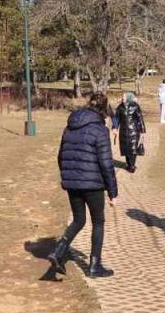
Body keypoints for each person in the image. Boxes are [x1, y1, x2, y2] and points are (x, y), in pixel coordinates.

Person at [47, 92, 119, 279]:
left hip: (72, 182)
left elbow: (61, 156)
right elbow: (106, 163)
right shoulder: (99, 129)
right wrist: (113, 192)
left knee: (79, 220)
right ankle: (95, 265)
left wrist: (67, 176)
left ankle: (58, 251)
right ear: (104, 109)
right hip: (92, 184)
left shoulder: (69, 126)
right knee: (98, 221)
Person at [112, 92, 147, 173]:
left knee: (133, 148)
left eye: (124, 97)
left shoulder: (135, 106)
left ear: (128, 97)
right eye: (122, 97)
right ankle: (128, 164)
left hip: (134, 130)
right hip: (123, 131)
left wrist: (143, 130)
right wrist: (115, 128)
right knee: (126, 148)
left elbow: (140, 118)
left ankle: (132, 165)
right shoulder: (120, 107)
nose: (122, 98)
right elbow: (116, 119)